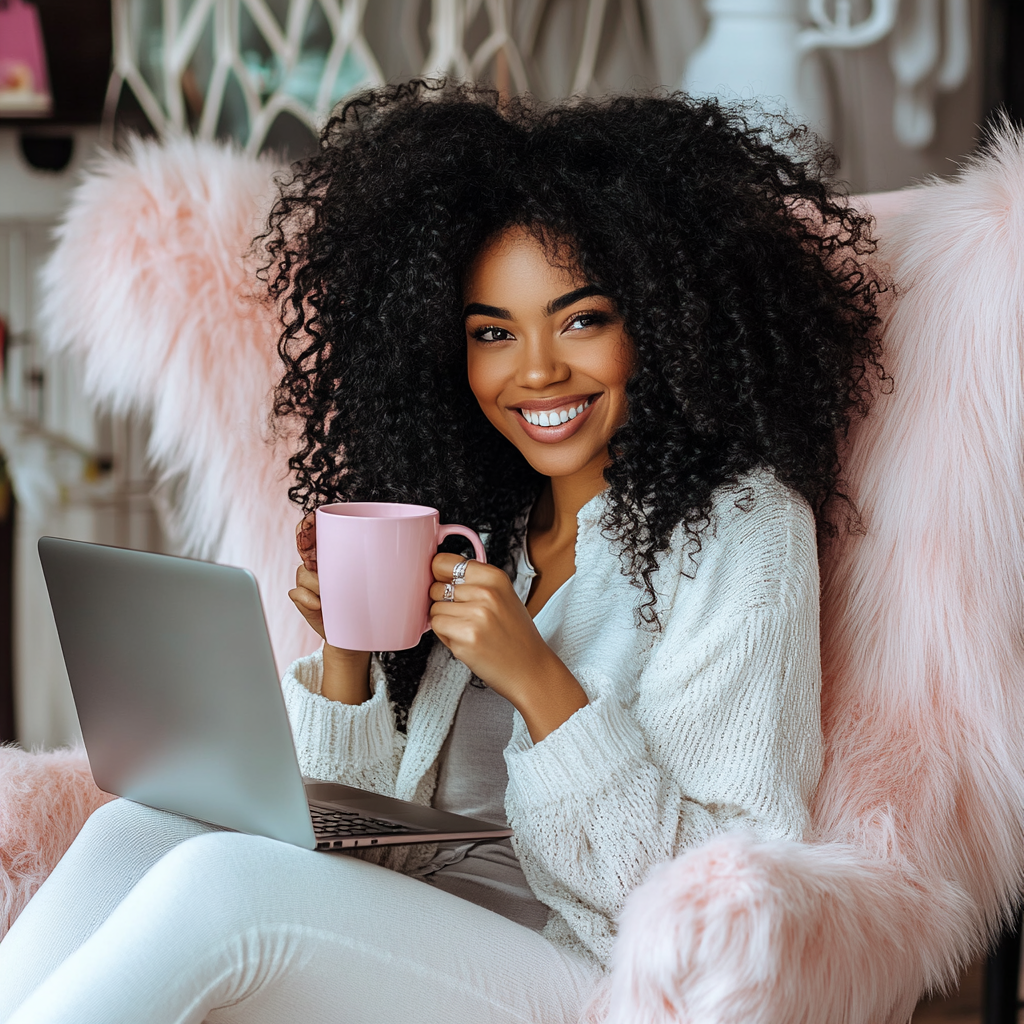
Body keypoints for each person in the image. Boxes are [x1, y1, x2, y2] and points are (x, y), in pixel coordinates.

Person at [0, 80, 883, 1023]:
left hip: (588, 967)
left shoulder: (744, 530)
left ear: (661, 321)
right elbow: (364, 832)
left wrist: (542, 684)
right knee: (134, 831)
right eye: (493, 334)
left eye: (581, 319)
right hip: (423, 911)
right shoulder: (489, 519)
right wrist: (346, 658)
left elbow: (721, 902)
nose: (536, 369)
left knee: (221, 889)